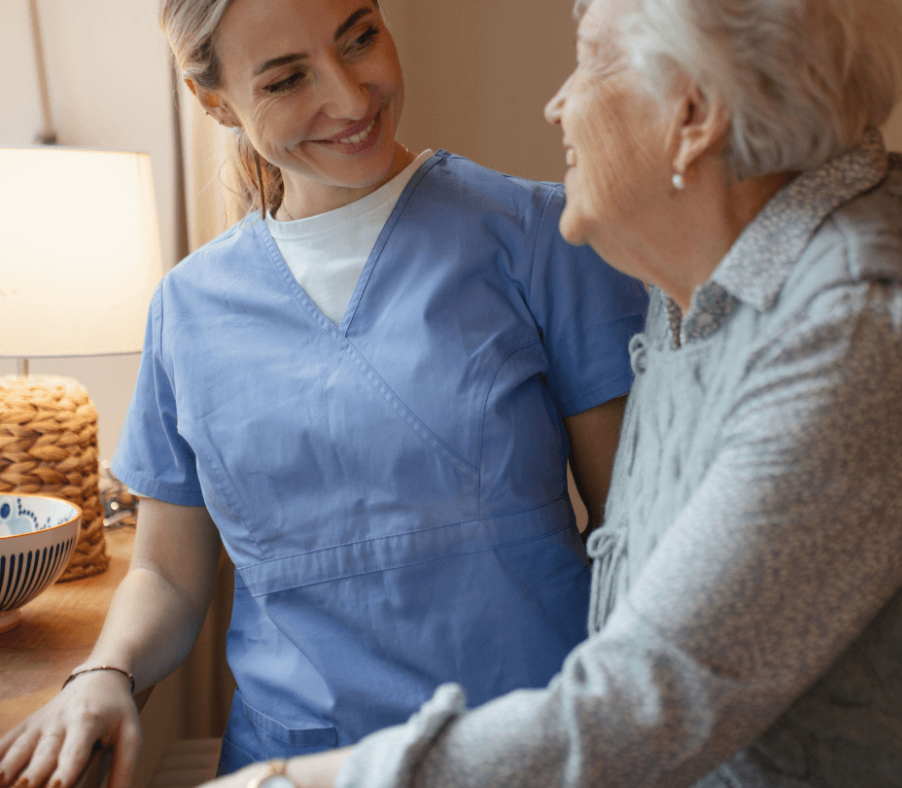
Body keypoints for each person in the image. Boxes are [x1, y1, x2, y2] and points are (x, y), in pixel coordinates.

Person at [117, 0, 902, 785]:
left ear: (691, 114)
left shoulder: (868, 324)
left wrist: (297, 784)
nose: (558, 103)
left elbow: (658, 688)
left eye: (590, 63)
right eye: (284, 77)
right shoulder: (704, 292)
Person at [0, 0, 648, 786]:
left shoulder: (542, 237)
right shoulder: (189, 308)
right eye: (286, 79)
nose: (350, 97)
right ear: (213, 100)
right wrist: (104, 674)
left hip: (526, 752)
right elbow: (168, 575)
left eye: (360, 38)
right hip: (289, 766)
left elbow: (634, 533)